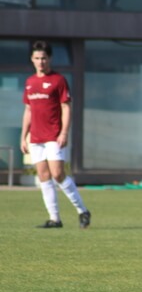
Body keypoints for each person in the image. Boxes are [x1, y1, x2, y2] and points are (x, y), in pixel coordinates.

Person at [20, 41, 91, 229]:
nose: (40, 61)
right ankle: (55, 219)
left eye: (43, 58)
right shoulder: (29, 83)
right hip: (35, 138)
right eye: (37, 58)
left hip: (53, 136)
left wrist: (64, 132)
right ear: (32, 59)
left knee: (58, 174)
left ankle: (82, 210)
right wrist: (23, 136)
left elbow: (66, 107)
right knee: (43, 177)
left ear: (49, 58)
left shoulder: (58, 80)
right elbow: (28, 111)